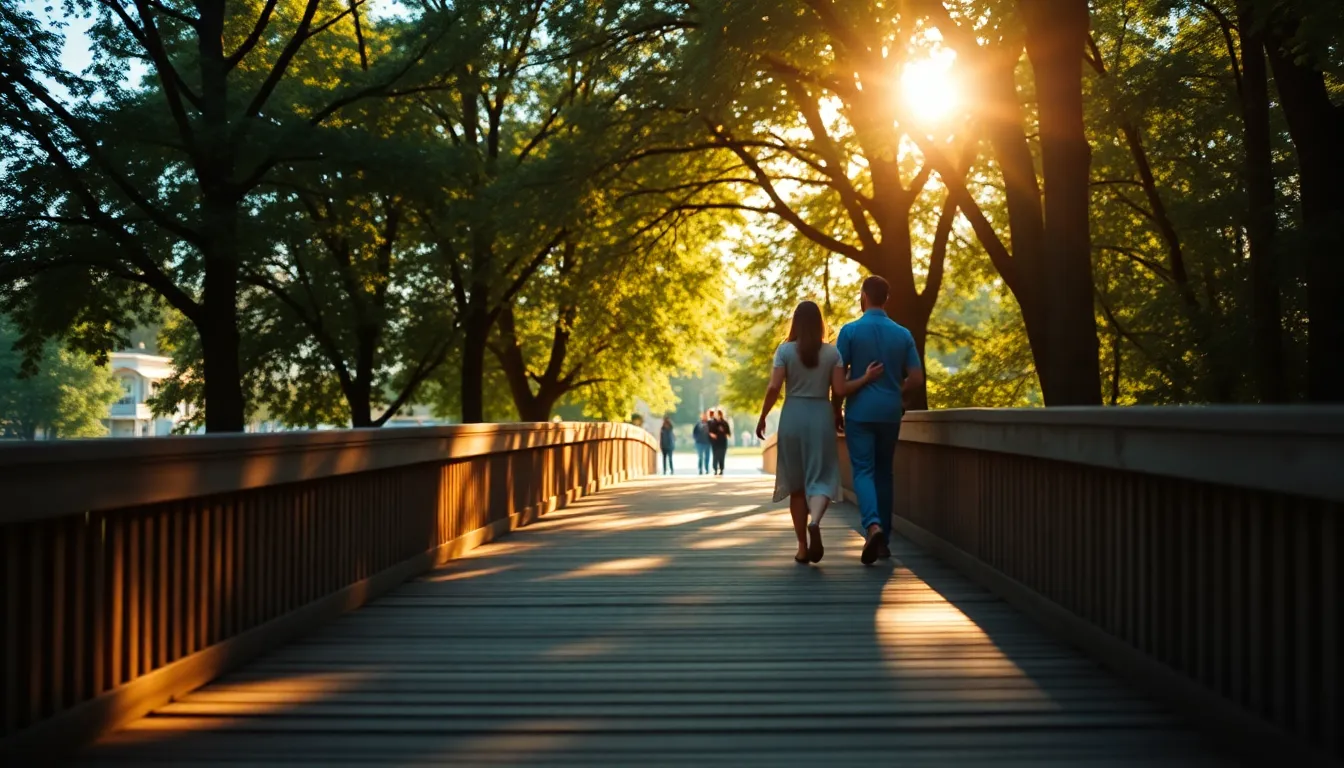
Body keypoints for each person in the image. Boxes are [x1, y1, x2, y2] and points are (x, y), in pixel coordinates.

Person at [757, 300, 883, 564]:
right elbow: (840, 390)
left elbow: (773, 387)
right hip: (820, 417)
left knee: (797, 486)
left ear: (795, 322)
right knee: (822, 477)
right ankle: (815, 521)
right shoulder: (832, 354)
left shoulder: (785, 351)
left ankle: (802, 547)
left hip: (792, 416)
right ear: (820, 324)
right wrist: (865, 379)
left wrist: (763, 416)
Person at [835, 275, 925, 565]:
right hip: (889, 413)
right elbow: (916, 378)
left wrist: (836, 408)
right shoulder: (903, 334)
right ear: (887, 299)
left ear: (863, 296)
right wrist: (897, 395)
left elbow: (836, 381)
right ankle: (883, 541)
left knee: (863, 470)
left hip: (860, 413)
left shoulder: (849, 332)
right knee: (885, 473)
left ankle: (872, 525)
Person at [709, 409, 731, 475]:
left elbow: (728, 434)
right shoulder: (713, 423)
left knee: (722, 456)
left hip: (723, 443)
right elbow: (710, 432)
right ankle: (715, 469)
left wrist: (725, 434)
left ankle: (721, 469)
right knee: (715, 456)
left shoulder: (725, 423)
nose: (716, 416)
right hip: (715, 443)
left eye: (718, 414)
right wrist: (713, 435)